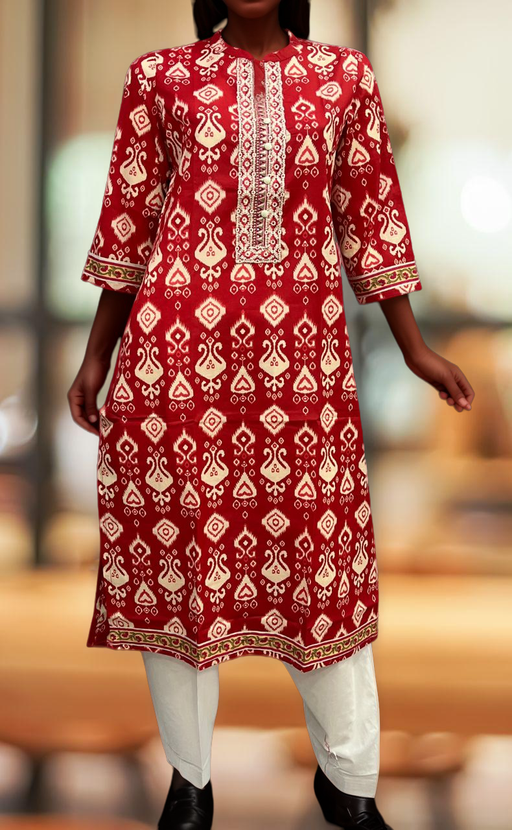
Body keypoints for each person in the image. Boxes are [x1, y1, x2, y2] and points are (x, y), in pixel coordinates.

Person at [68, 0, 475, 827]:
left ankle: (350, 782)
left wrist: (414, 348)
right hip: (178, 367)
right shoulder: (160, 77)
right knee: (180, 567)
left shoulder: (343, 79)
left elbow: (371, 217)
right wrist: (97, 355)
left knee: (323, 567)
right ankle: (189, 780)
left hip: (304, 371)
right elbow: (130, 221)